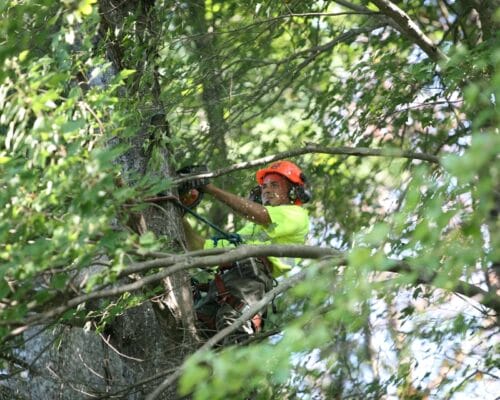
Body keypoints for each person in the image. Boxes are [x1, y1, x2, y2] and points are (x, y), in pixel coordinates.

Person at [182, 160, 311, 343]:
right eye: (264, 186)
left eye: (275, 185)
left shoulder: (296, 215)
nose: (266, 190)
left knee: (233, 325)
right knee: (194, 330)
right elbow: (199, 247)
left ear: (292, 192)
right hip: (226, 282)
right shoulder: (249, 232)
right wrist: (178, 211)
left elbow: (260, 214)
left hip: (251, 279)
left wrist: (209, 188)